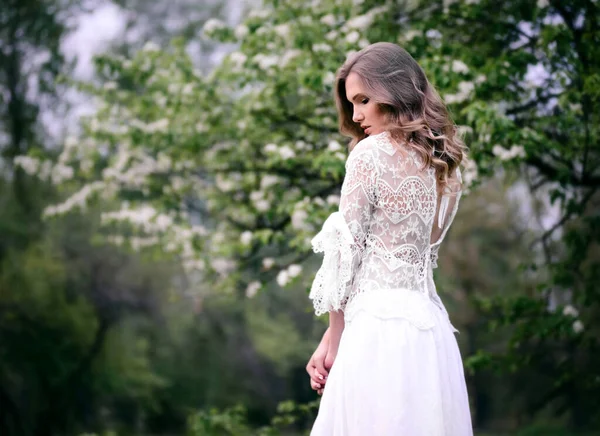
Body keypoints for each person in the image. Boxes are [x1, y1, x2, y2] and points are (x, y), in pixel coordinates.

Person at [305, 42, 473, 435]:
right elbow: (402, 258)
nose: (357, 115)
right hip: (429, 336)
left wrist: (336, 342)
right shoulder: (443, 163)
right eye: (351, 104)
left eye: (363, 100)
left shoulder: (370, 154)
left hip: (376, 336)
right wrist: (331, 336)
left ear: (393, 90)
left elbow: (346, 257)